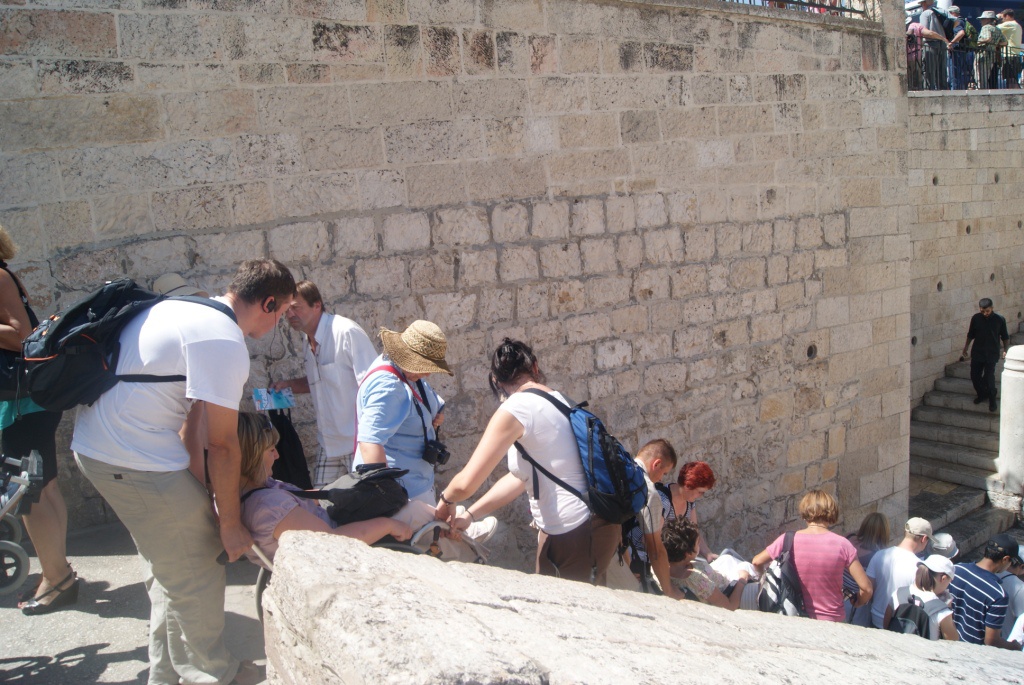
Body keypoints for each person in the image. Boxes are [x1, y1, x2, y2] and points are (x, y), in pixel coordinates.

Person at [73, 259, 297, 685]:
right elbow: (223, 444)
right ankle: (212, 674)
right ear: (268, 303)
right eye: (282, 311)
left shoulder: (182, 311)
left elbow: (189, 422)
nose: (280, 321)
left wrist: (202, 493)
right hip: (133, 459)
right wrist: (230, 523)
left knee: (172, 569)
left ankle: (166, 674)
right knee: (197, 567)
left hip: (104, 449)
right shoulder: (222, 339)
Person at [434, 338, 620, 585]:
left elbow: (466, 482)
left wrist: (446, 500)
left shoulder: (517, 408)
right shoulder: (559, 399)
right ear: (535, 367)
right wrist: (469, 514)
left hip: (577, 530)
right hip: (588, 526)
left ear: (496, 381)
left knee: (571, 607)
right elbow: (520, 478)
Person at [0, 226, 72, 615]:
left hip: (21, 404)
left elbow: (21, 335)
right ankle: (59, 572)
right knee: (45, 488)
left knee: (28, 493)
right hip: (26, 402)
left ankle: (56, 579)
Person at [236, 412, 410, 568]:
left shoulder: (251, 490)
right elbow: (332, 543)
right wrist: (388, 525)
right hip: (346, 550)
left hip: (334, 522)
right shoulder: (270, 507)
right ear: (252, 456)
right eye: (271, 450)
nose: (277, 455)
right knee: (418, 513)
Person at [270, 280, 377, 487]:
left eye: (296, 308)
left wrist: (370, 439)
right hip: (328, 443)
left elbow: (373, 384)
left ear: (316, 305)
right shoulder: (307, 340)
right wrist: (289, 385)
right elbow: (320, 382)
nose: (290, 314)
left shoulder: (345, 332)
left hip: (356, 442)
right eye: (287, 310)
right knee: (322, 502)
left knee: (367, 501)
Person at [352, 320, 448, 505]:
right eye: (424, 367)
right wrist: (389, 498)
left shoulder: (401, 369)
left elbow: (428, 399)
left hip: (414, 484)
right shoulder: (389, 386)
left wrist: (436, 414)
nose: (427, 374)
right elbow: (370, 443)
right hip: (403, 495)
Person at [752, 490, 872, 622]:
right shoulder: (843, 545)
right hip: (832, 619)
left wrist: (763, 578)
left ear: (805, 512)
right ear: (832, 512)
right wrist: (858, 601)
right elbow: (866, 588)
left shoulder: (787, 539)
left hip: (795, 616)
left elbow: (757, 561)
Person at [626, 439, 683, 598]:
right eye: (664, 473)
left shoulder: (623, 468)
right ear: (656, 464)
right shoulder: (649, 492)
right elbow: (655, 550)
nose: (661, 479)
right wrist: (669, 590)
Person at [663, 517, 755, 611]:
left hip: (715, 573)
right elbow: (730, 606)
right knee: (746, 566)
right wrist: (742, 580)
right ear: (688, 553)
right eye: (698, 543)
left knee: (727, 558)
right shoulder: (698, 580)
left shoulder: (664, 572)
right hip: (729, 589)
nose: (700, 545)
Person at [948, 533, 1022, 649]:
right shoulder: (998, 595)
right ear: (1005, 559)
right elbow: (991, 641)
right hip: (972, 652)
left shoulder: (957, 569)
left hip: (948, 642)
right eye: (1011, 561)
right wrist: (1014, 646)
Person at [859, 516, 932, 628]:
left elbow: (869, 587)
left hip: (876, 617)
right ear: (924, 539)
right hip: (899, 623)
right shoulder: (919, 567)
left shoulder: (879, 555)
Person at [884, 555, 959, 640]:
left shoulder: (898, 593)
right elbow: (953, 641)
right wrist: (948, 608)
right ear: (943, 578)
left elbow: (886, 626)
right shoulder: (941, 610)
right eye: (949, 581)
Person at [960, 297, 1009, 412]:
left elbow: (1005, 336)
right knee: (974, 376)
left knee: (989, 377)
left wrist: (1005, 350)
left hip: (992, 353)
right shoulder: (976, 318)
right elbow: (971, 334)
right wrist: (966, 347)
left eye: (987, 311)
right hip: (978, 352)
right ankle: (982, 394)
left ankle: (992, 399)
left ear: (992, 308)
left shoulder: (999, 319)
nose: (985, 313)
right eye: (982, 311)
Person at [663, 461, 718, 560]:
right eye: (700, 492)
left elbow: (694, 533)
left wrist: (708, 554)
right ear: (688, 486)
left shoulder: (690, 502)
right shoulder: (663, 501)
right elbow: (653, 540)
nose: (701, 496)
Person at [919, 0, 951, 90]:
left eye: (921, 4)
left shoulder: (925, 13)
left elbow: (924, 32)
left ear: (924, 3)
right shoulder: (941, 12)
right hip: (942, 45)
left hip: (931, 44)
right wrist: (943, 39)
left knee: (929, 71)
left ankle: (929, 91)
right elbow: (956, 22)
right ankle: (943, 91)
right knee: (942, 71)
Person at [998, 553, 1024, 643]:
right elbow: (1021, 619)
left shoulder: (993, 573)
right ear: (1021, 566)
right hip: (1007, 640)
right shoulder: (1020, 587)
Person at [978, 11, 1007, 89]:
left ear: (987, 19)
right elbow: (1005, 42)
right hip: (992, 56)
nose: (981, 21)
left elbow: (988, 38)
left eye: (982, 19)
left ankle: (982, 91)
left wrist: (976, 43)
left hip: (983, 54)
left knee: (980, 76)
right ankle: (985, 90)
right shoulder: (997, 29)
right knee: (986, 75)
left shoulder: (986, 27)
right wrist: (995, 44)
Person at [998, 9, 1022, 88]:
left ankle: (1016, 94)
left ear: (1007, 16)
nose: (1002, 20)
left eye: (1002, 18)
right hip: (1015, 55)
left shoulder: (1010, 24)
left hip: (1009, 55)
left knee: (1011, 79)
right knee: (1011, 78)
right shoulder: (1017, 25)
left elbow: (995, 28)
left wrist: (996, 18)